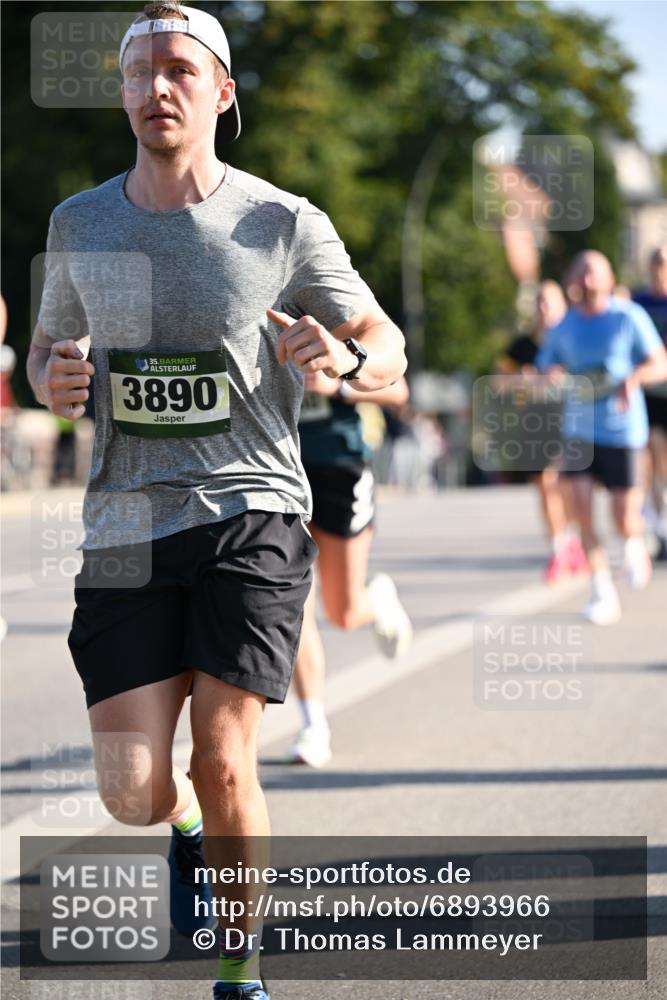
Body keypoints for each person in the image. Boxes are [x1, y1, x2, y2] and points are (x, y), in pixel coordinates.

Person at [26, 5, 407, 998]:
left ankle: (241, 968)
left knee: (226, 750)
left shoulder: (280, 221)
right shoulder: (80, 221)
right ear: (119, 91)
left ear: (221, 91)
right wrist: (54, 380)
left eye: (180, 71)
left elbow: (386, 341)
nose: (158, 88)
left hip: (252, 512)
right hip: (123, 523)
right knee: (133, 791)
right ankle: (183, 828)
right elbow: (45, 351)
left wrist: (351, 355)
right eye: (140, 72)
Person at [287, 371, 411, 767]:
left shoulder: (342, 315)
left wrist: (335, 385)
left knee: (344, 612)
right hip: (278, 470)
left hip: (341, 464)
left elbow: (398, 389)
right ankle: (313, 723)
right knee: (293, 604)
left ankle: (376, 599)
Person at [536, 251, 667, 625]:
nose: (588, 281)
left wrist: (635, 378)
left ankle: (633, 543)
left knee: (624, 514)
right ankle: (600, 590)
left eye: (595, 273)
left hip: (623, 429)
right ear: (574, 281)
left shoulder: (628, 317)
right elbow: (546, 365)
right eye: (582, 273)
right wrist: (551, 375)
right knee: (581, 510)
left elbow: (661, 362)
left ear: (608, 280)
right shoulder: (565, 326)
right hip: (579, 429)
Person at [496, 280, 588, 583]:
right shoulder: (522, 346)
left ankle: (571, 541)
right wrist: (524, 380)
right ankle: (560, 547)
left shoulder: (573, 339)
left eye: (549, 301)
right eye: (539, 301)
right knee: (544, 485)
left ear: (563, 305)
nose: (544, 307)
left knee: (562, 484)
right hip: (534, 423)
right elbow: (499, 382)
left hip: (568, 422)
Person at [632, 245, 667, 560]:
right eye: (656, 261)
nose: (660, 268)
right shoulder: (638, 303)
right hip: (650, 396)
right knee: (654, 458)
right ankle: (662, 528)